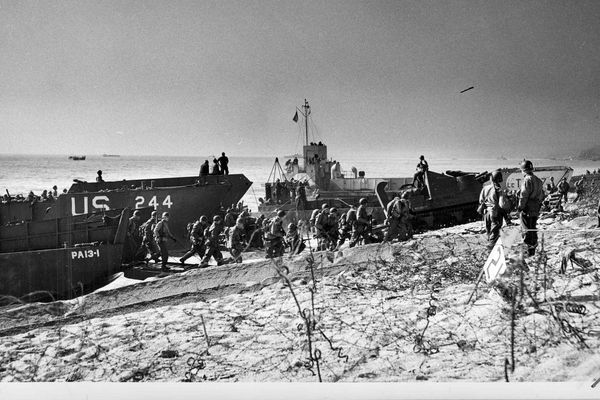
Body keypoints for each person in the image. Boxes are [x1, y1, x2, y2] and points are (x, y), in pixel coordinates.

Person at [517, 160, 544, 256]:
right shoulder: (538, 180)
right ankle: (532, 250)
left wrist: (520, 207)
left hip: (527, 208)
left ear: (523, 170)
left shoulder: (527, 180)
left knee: (526, 229)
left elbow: (524, 195)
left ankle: (527, 252)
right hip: (535, 208)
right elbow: (541, 196)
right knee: (533, 228)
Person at [478, 170, 504, 249]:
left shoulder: (485, 188)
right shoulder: (498, 189)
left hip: (486, 213)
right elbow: (502, 204)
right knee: (495, 232)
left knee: (488, 231)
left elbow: (481, 200)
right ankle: (491, 249)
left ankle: (491, 247)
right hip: (495, 212)